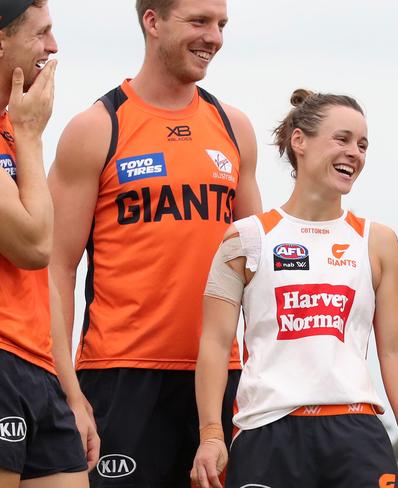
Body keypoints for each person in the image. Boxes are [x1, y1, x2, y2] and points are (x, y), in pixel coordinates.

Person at [47, 0, 261, 486]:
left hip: (220, 378)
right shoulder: (98, 126)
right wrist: (67, 391)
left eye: (222, 24)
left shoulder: (234, 128)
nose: (215, 38)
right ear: (152, 21)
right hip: (122, 375)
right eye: (200, 22)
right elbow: (55, 267)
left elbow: (257, 265)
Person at [190, 89, 398, 488]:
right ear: (299, 141)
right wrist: (211, 435)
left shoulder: (378, 240)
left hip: (354, 432)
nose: (354, 153)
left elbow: (394, 345)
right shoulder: (245, 237)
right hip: (268, 431)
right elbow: (216, 343)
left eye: (362, 145)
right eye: (341, 139)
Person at [0, 1, 99, 487]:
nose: (54, 47)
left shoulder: (13, 131)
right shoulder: (22, 133)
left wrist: (71, 393)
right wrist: (30, 135)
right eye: (41, 33)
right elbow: (34, 245)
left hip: (37, 368)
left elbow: (43, 278)